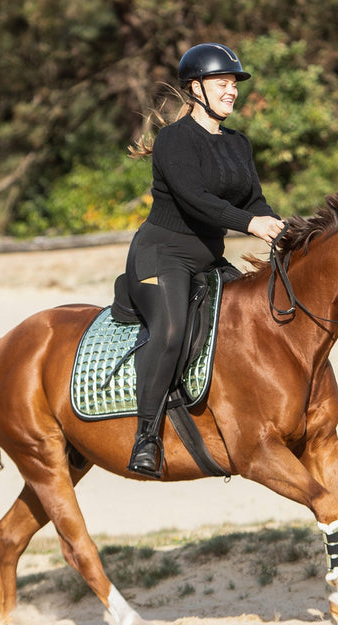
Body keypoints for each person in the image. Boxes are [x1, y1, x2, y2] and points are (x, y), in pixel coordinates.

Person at [124, 43, 285, 478]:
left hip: (208, 259)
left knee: (258, 317)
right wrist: (250, 226)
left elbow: (255, 199)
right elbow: (197, 202)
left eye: (234, 84)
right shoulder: (174, 140)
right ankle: (147, 435)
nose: (231, 91)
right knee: (173, 331)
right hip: (161, 256)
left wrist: (278, 226)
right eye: (222, 84)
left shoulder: (238, 143)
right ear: (196, 89)